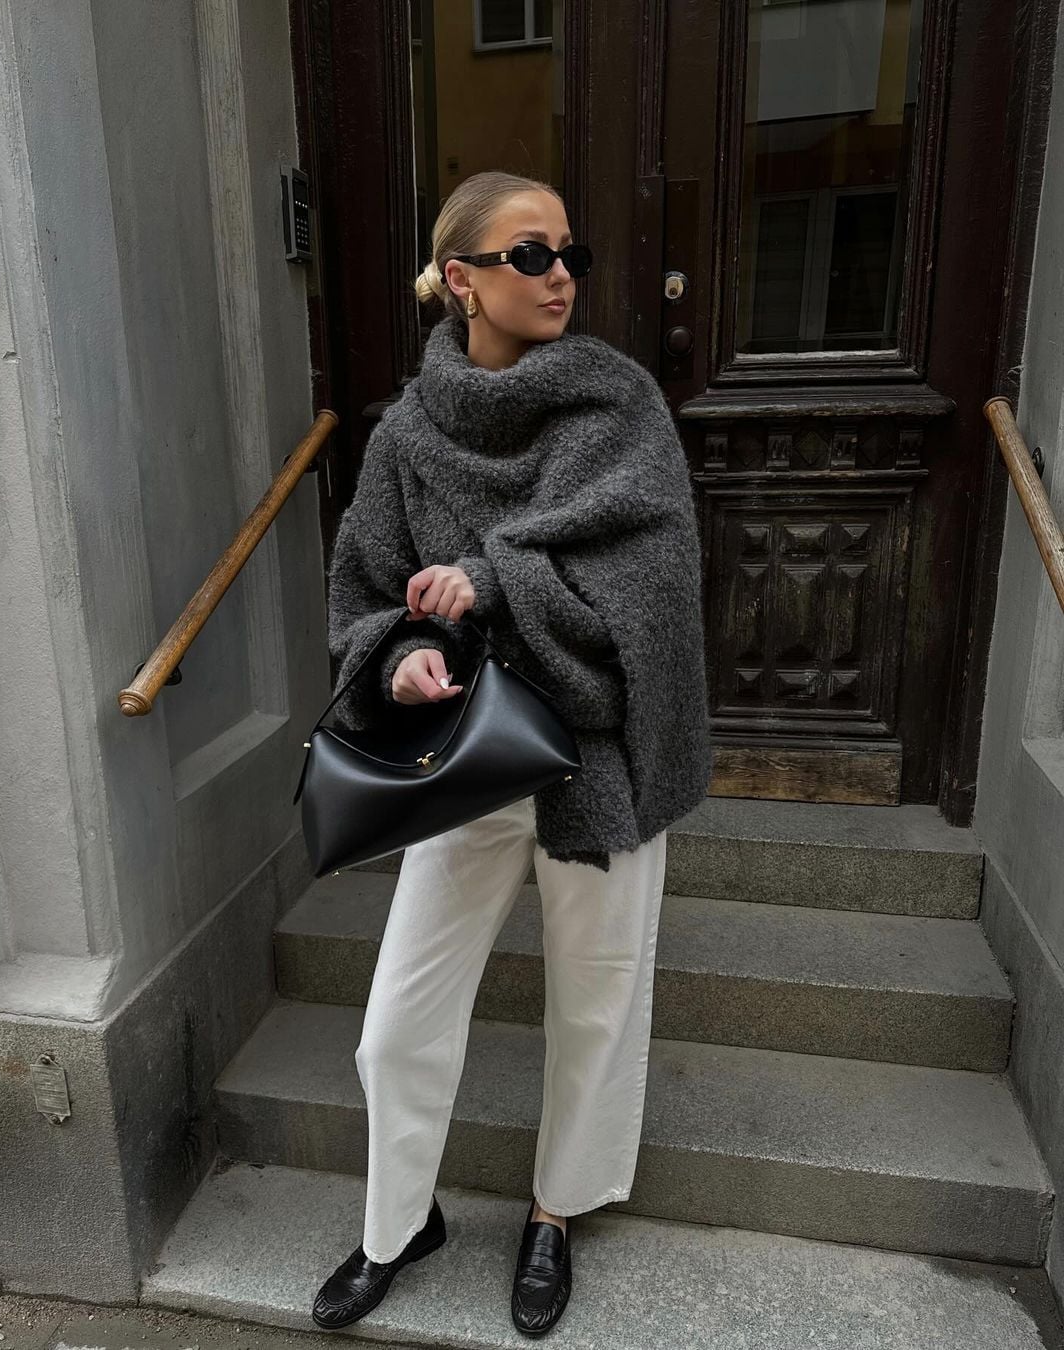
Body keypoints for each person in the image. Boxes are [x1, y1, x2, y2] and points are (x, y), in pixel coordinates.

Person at [310, 170, 711, 1338]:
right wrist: (397, 659)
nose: (561, 276)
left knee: (593, 1007)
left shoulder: (618, 410)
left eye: (569, 253)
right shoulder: (406, 437)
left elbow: (655, 585)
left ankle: (551, 1214)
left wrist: (496, 580)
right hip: (467, 760)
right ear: (463, 281)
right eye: (530, 255)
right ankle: (400, 1221)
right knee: (395, 1027)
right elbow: (362, 590)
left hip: (600, 761)